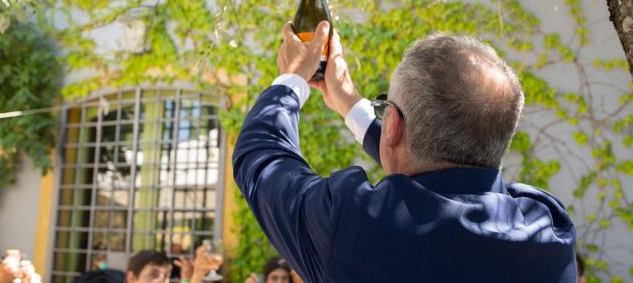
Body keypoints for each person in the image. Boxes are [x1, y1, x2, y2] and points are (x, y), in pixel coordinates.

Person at [233, 21, 577, 282]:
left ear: (393, 126)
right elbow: (440, 161)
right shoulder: (549, 231)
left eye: (386, 110)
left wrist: (292, 78)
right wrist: (351, 105)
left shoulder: (354, 228)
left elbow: (261, 156)